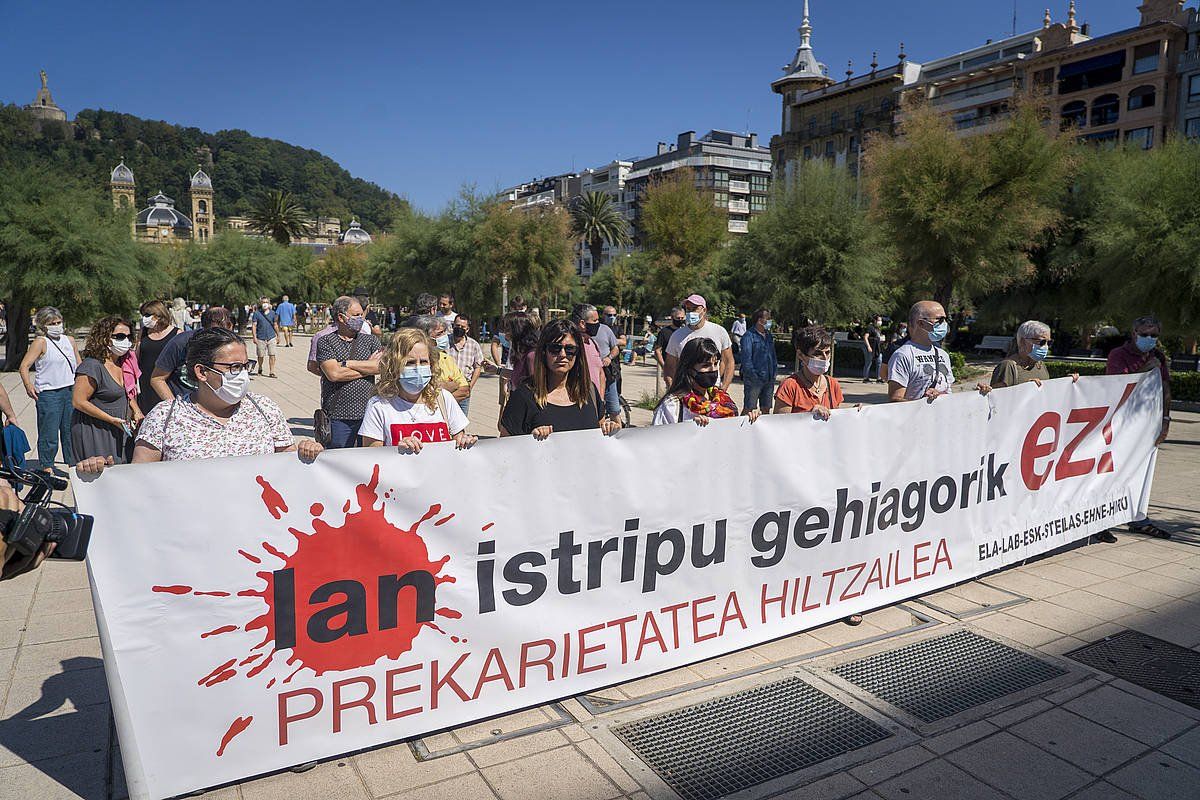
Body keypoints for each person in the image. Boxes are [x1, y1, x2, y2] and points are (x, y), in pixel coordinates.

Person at [77, 327, 322, 472]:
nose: (243, 375)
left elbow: (289, 465)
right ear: (201, 372)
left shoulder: (265, 409)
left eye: (246, 365)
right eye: (234, 367)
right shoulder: (164, 417)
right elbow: (139, 480)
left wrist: (307, 452)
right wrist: (103, 473)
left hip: (257, 543)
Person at [1103, 315, 1173, 541]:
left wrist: (1166, 420)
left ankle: (1138, 517)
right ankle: (1101, 521)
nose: (1149, 339)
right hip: (1121, 424)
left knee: (1140, 473)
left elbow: (1165, 388)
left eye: (1154, 335)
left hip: (1147, 426)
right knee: (1111, 472)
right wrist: (1145, 369)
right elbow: (1117, 388)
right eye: (1145, 335)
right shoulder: (1118, 355)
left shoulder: (1158, 356)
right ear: (1134, 334)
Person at [358, 329, 477, 452]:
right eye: (410, 362)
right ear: (394, 365)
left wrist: (464, 441)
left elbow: (458, 438)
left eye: (424, 362)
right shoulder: (379, 405)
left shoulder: (444, 399)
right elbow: (371, 455)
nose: (418, 368)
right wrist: (396, 450)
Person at [500, 319, 621, 439]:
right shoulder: (523, 396)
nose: (562, 355)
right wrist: (531, 440)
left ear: (577, 353)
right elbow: (504, 448)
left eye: (570, 349)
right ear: (543, 352)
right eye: (555, 348)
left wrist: (609, 428)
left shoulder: (588, 390)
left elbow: (599, 433)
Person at [18, 307, 80, 475]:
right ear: (44, 325)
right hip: (49, 393)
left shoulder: (70, 340)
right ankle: (47, 465)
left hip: (70, 391)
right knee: (49, 433)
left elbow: (79, 366)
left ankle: (72, 464)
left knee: (70, 431)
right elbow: (24, 366)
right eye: (52, 323)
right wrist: (28, 385)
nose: (57, 326)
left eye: (59, 322)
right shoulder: (40, 342)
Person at [316, 296, 383, 448]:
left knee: (367, 460)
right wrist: (368, 367)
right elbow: (334, 374)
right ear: (341, 317)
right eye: (356, 315)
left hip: (368, 414)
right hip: (338, 416)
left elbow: (380, 367)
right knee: (337, 460)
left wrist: (348, 364)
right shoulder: (326, 341)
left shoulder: (371, 341)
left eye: (362, 315)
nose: (361, 319)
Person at [71, 316, 138, 465]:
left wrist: (136, 410)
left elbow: (128, 393)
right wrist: (111, 419)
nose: (126, 340)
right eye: (120, 336)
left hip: (120, 429)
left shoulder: (125, 364)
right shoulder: (92, 366)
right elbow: (78, 401)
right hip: (96, 430)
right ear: (105, 337)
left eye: (129, 336)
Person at [654, 338, 758, 425]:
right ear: (689, 368)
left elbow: (732, 433)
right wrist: (690, 429)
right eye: (705, 365)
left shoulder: (722, 399)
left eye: (716, 364)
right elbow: (659, 442)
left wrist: (748, 421)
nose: (712, 370)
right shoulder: (672, 405)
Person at [150, 306, 235, 402]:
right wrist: (175, 406)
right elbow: (157, 379)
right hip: (184, 407)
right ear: (205, 327)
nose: (222, 338)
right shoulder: (180, 343)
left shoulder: (233, 345)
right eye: (216, 332)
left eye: (226, 332)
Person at [665, 295, 735, 391]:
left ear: (704, 310)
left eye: (695, 309)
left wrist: (723, 389)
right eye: (688, 309)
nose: (691, 312)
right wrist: (673, 390)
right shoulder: (677, 336)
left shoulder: (719, 331)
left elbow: (729, 362)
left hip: (712, 391)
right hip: (686, 392)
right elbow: (669, 366)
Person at [775, 325, 844, 419]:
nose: (824, 358)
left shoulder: (833, 384)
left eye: (827, 352)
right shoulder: (789, 386)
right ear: (800, 355)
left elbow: (836, 421)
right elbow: (779, 425)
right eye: (817, 353)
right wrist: (809, 415)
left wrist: (855, 414)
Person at [402, 315, 471, 405]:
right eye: (439, 334)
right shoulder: (414, 361)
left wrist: (438, 400)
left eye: (444, 332)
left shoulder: (447, 359)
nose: (444, 337)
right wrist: (450, 386)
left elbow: (465, 390)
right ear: (425, 337)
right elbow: (416, 389)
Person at [572, 304, 621, 420]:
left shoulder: (593, 343)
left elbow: (601, 374)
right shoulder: (572, 346)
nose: (597, 324)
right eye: (595, 320)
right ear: (582, 323)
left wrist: (601, 399)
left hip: (597, 401)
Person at [133, 300, 179, 416]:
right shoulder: (143, 332)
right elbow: (136, 356)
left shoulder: (177, 333)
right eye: (143, 315)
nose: (144, 318)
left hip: (166, 382)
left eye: (147, 315)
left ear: (158, 314)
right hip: (145, 384)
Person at [991, 320, 1053, 388]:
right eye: (1042, 342)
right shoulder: (1008, 366)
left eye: (1049, 343)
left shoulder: (1040, 365)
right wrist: (1026, 388)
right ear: (1023, 341)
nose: (1046, 346)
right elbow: (997, 396)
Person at [739, 308, 778, 415]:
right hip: (754, 380)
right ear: (760, 320)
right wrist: (754, 376)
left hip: (769, 379)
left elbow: (773, 355)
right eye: (768, 319)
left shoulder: (769, 335)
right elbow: (746, 359)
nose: (770, 321)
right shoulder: (748, 336)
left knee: (766, 409)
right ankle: (740, 430)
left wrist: (774, 372)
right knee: (749, 409)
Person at [448, 313, 484, 415]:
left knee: (461, 420)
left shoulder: (473, 345)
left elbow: (478, 366)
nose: (459, 328)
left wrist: (470, 386)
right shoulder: (445, 342)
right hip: (447, 387)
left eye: (462, 327)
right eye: (457, 326)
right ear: (453, 326)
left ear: (467, 329)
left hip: (464, 388)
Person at [251, 298, 279, 378]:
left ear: (269, 303)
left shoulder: (273, 313)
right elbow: (254, 325)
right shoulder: (256, 314)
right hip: (260, 338)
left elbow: (275, 325)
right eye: (263, 302)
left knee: (272, 354)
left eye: (266, 302)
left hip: (271, 337)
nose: (265, 304)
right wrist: (254, 337)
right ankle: (260, 367)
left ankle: (272, 371)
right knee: (260, 355)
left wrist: (278, 335)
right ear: (261, 303)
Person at [654, 307, 686, 376]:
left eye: (682, 318)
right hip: (670, 368)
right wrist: (664, 367)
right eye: (678, 318)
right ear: (672, 317)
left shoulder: (686, 331)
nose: (680, 320)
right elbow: (657, 350)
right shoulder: (664, 332)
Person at [863, 315, 884, 383]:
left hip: (877, 348)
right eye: (879, 320)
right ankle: (865, 378)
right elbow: (865, 337)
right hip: (871, 347)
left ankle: (878, 378)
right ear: (875, 320)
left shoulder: (877, 329)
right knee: (869, 362)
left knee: (879, 361)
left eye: (880, 320)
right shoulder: (870, 327)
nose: (880, 322)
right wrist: (868, 346)